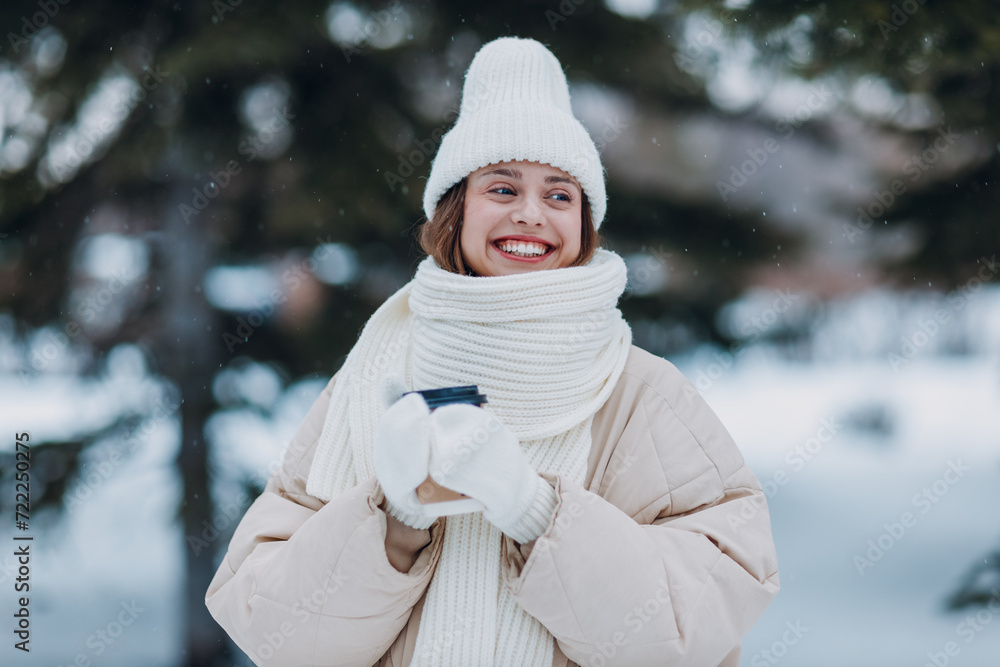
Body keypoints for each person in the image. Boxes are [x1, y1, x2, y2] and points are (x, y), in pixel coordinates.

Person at [205, 36, 779, 667]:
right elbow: (280, 636)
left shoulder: (642, 392)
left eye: (559, 195)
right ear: (455, 211)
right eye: (502, 189)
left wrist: (535, 511)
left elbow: (693, 627)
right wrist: (394, 519)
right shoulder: (369, 379)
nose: (531, 214)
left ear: (584, 225)